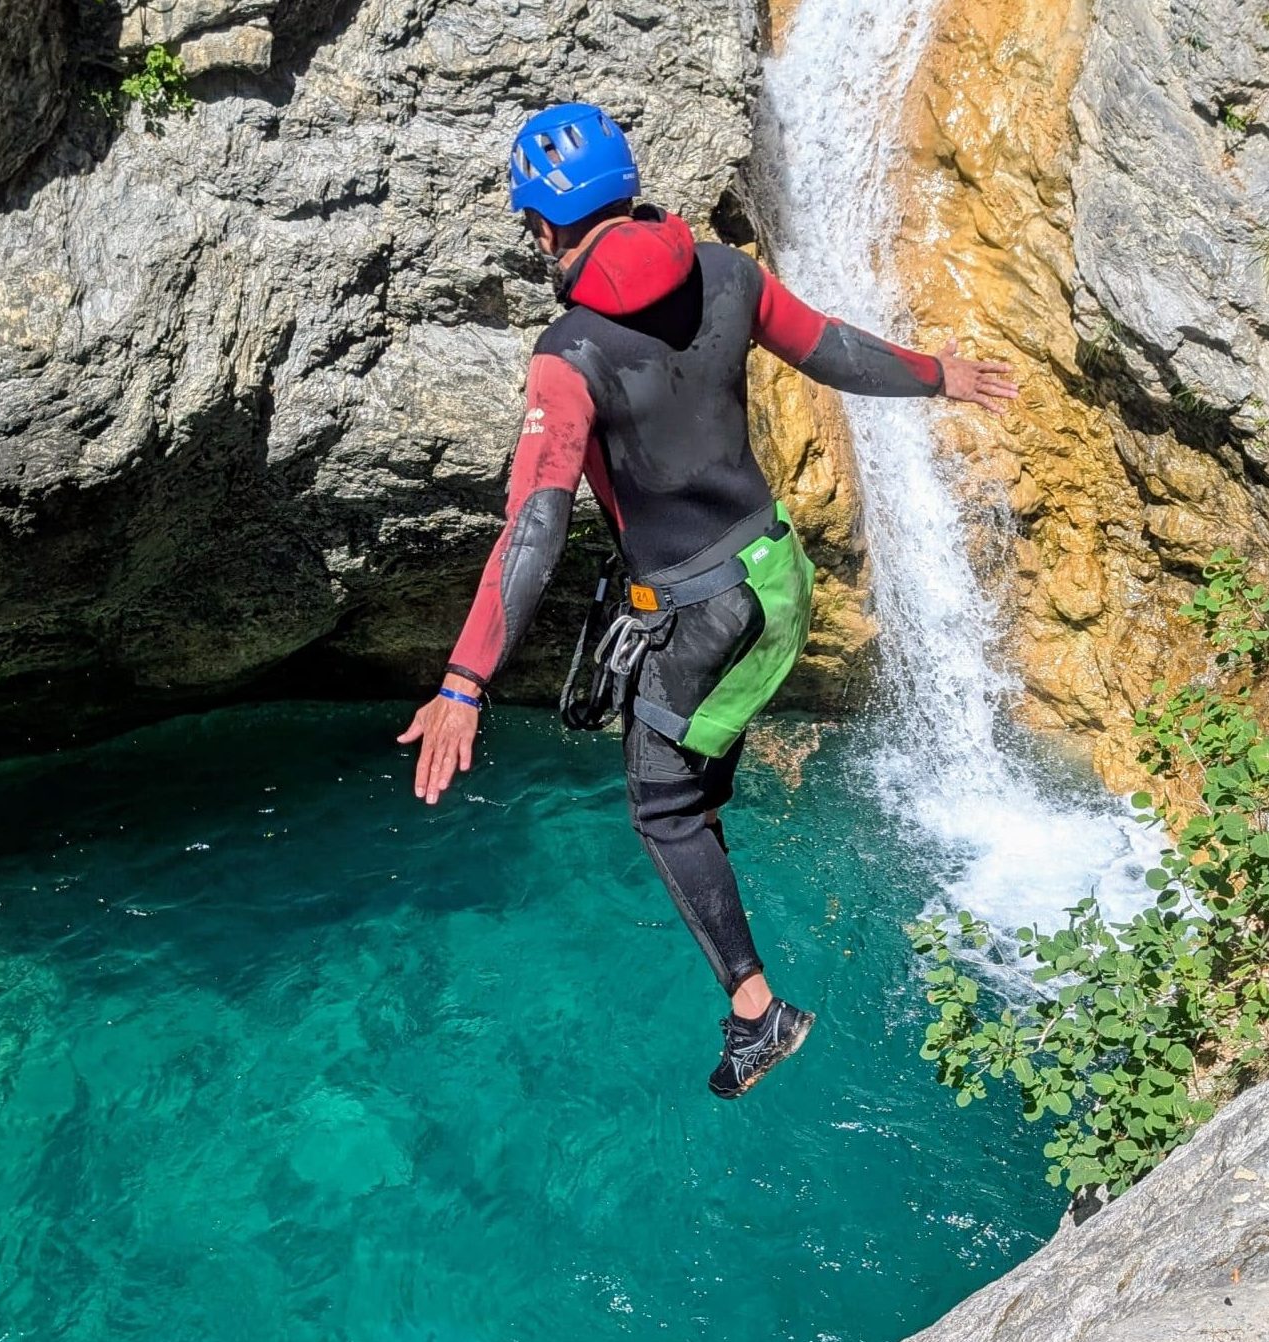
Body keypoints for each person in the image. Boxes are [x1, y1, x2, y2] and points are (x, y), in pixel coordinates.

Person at [399, 102, 1019, 1097]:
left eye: (529, 223)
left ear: (549, 224)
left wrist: (466, 680)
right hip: (775, 576)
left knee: (656, 801)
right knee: (685, 764)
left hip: (711, 615)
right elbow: (827, 348)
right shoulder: (725, 274)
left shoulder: (569, 355)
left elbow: (533, 527)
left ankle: (757, 1014)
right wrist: (939, 374)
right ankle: (711, 838)